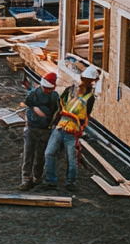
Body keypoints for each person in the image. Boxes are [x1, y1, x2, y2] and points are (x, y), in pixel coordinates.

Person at [37, 65, 98, 193]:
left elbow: (83, 115)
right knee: (51, 154)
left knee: (69, 158)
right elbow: (61, 105)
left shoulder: (88, 97)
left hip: (70, 130)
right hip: (61, 127)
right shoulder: (72, 91)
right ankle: (52, 181)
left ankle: (69, 182)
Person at [19, 71, 60, 190]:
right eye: (46, 88)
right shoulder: (34, 94)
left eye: (49, 89)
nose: (48, 90)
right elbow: (28, 102)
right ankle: (26, 178)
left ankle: (37, 177)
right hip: (32, 128)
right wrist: (36, 109)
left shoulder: (54, 96)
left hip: (45, 130)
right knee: (28, 154)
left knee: (41, 155)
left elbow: (58, 110)